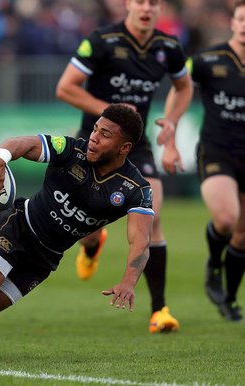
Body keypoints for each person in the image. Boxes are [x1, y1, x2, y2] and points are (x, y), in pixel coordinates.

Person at [0, 104, 154, 328]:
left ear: (124, 148)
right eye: (95, 129)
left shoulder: (136, 189)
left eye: (105, 135)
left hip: (45, 257)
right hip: (17, 227)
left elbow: (140, 241)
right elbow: (22, 144)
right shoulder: (70, 149)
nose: (94, 137)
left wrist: (128, 282)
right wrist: (0, 159)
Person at [55, 0, 193, 333]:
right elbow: (65, 88)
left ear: (159, 8)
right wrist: (114, 113)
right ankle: (92, 243)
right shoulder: (102, 41)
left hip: (137, 145)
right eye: (140, 1)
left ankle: (159, 310)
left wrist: (171, 123)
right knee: (84, 226)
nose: (146, 7)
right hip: (96, 142)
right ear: (128, 4)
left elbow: (184, 86)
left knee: (152, 217)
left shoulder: (168, 47)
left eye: (153, 2)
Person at [182, 0, 245, 322]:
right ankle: (214, 264)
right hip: (217, 151)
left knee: (243, 234)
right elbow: (181, 86)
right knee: (226, 219)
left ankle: (230, 298)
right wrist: (170, 126)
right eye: (242, 19)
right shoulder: (208, 60)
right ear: (232, 22)